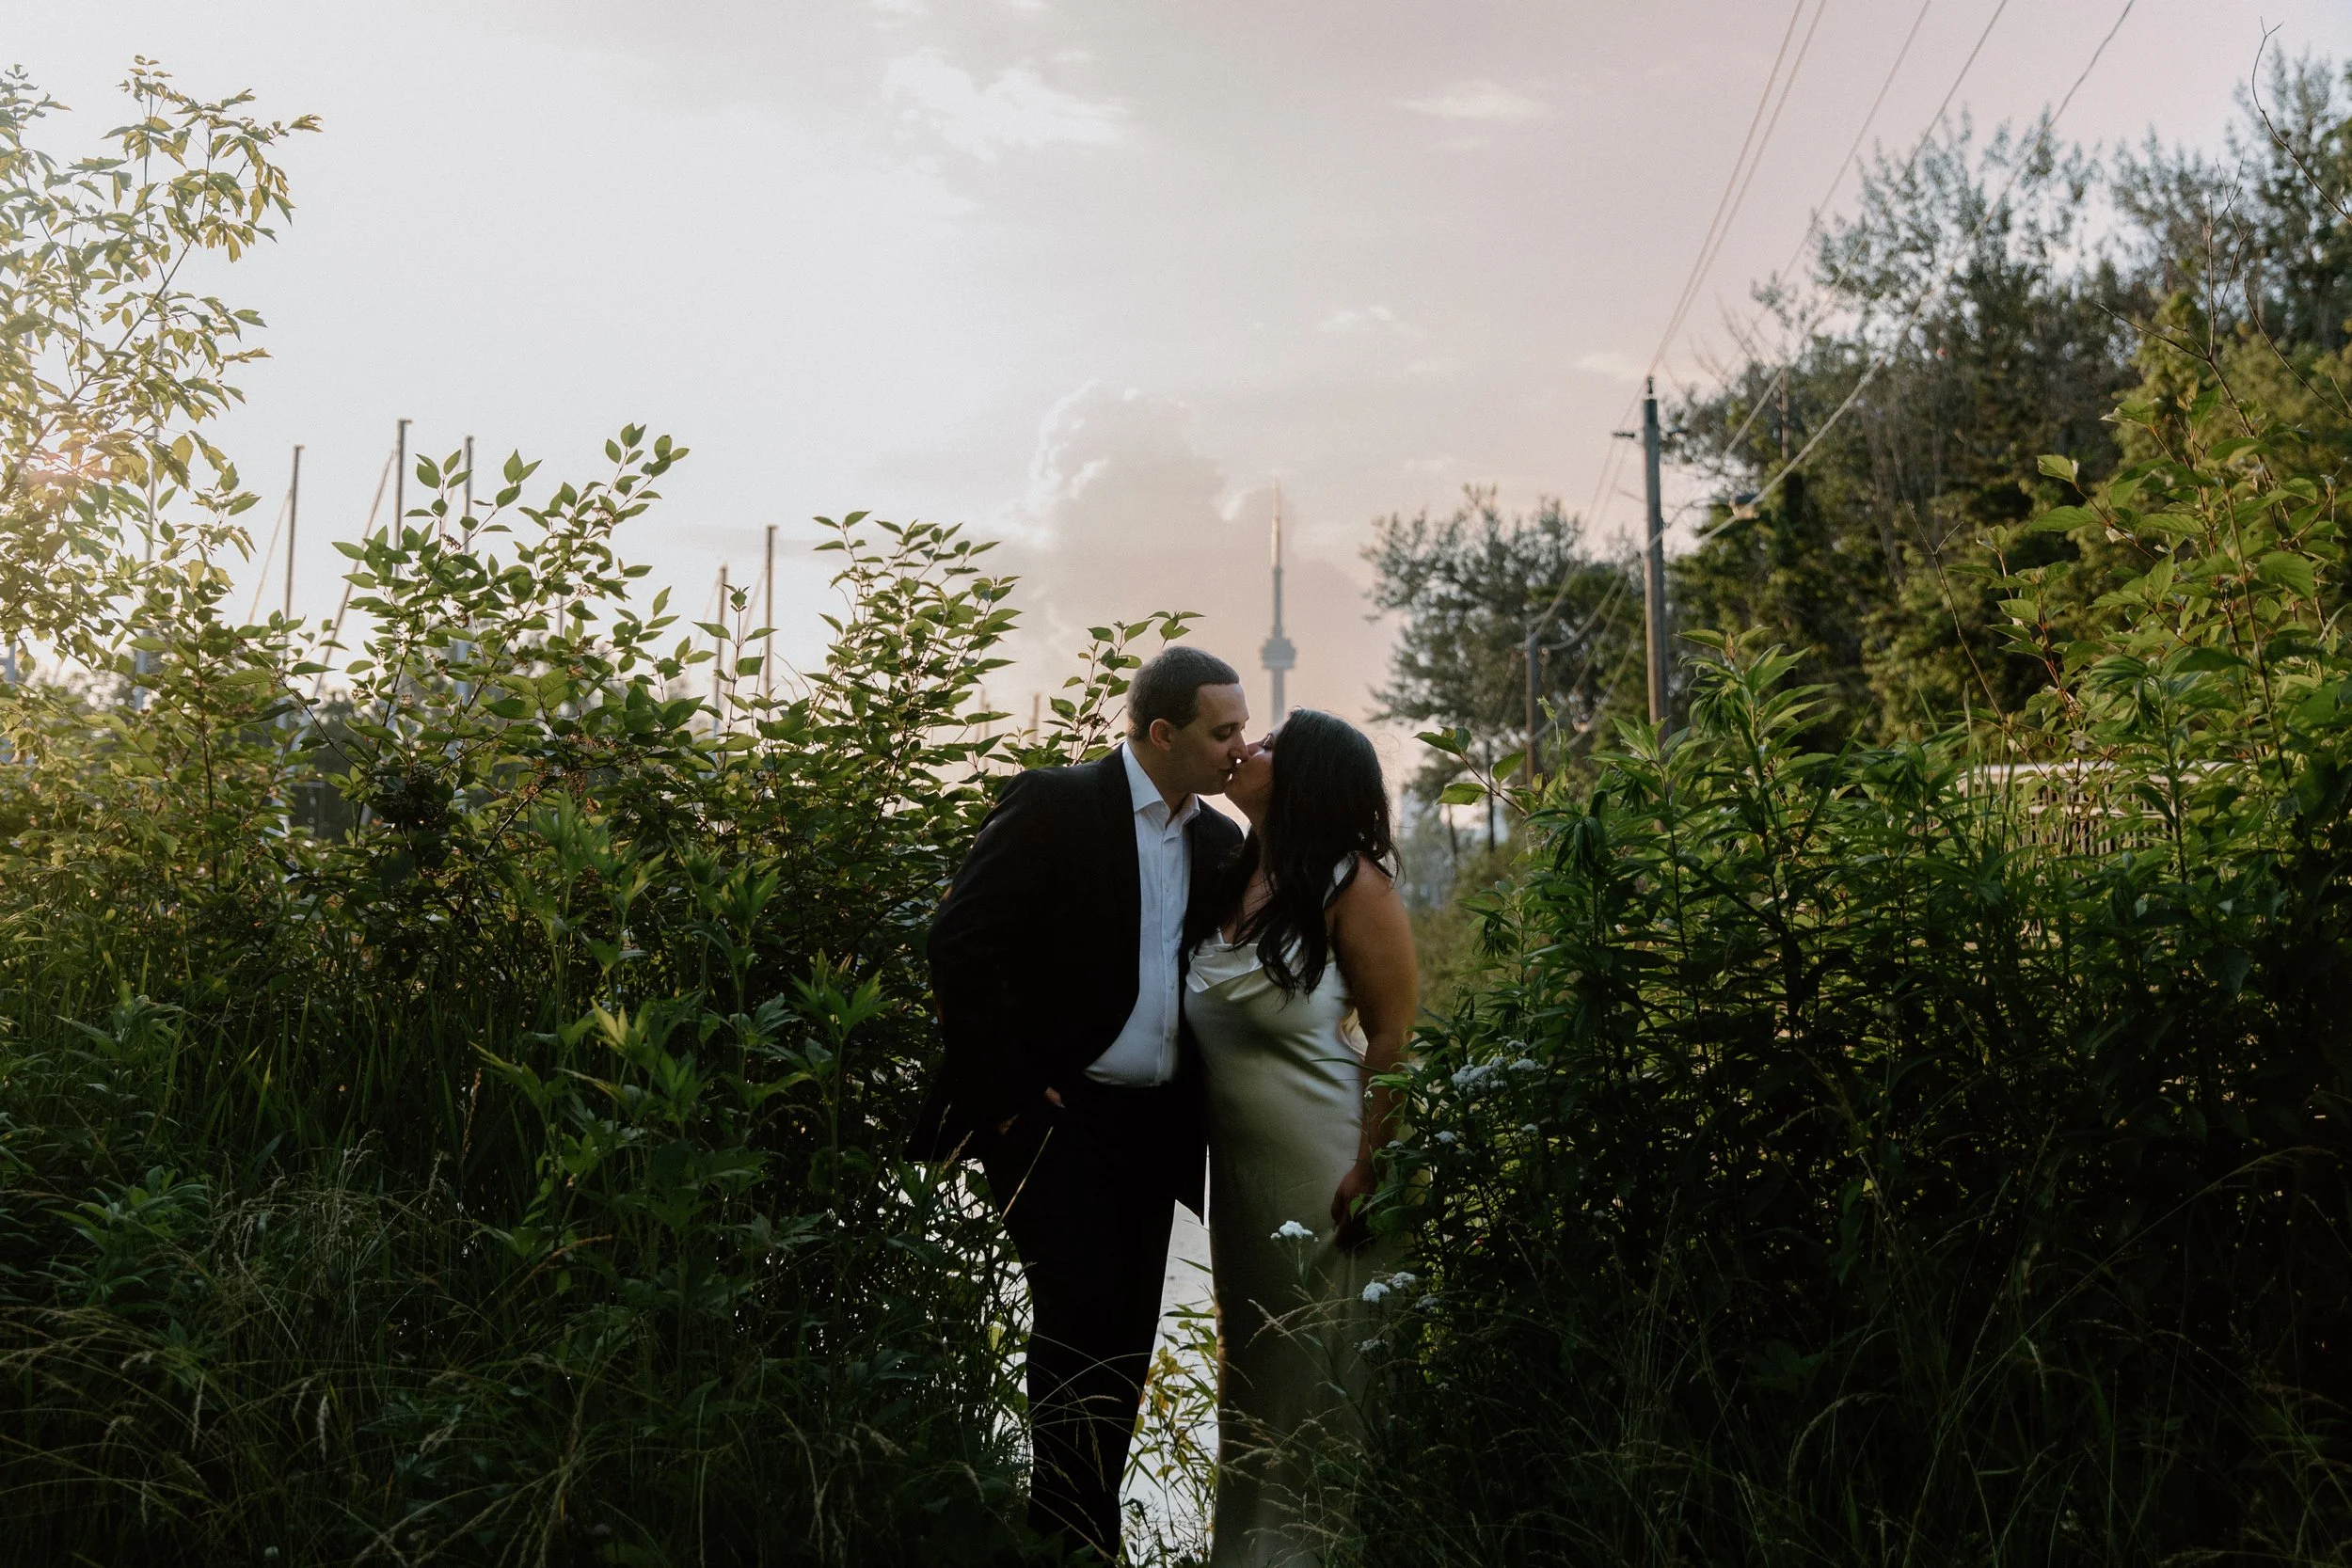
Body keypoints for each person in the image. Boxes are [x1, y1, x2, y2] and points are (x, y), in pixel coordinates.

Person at [914, 645, 1250, 1560]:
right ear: (1160, 731)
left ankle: (1078, 1532)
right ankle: (1071, 1537)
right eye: (1223, 730)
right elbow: (959, 941)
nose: (1238, 746)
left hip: (1154, 1132)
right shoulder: (1055, 803)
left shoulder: (1219, 843)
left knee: (1126, 1341)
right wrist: (1014, 1092)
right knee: (1077, 1323)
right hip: (1054, 1122)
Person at [1184, 709, 1415, 1568]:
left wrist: (1372, 1166)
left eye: (1271, 742)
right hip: (1242, 1185)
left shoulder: (1355, 887)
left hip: (1328, 1173)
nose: (1247, 747)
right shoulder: (1231, 873)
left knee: (1319, 1389)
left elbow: (1394, 1036)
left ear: (1309, 774)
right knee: (1252, 1388)